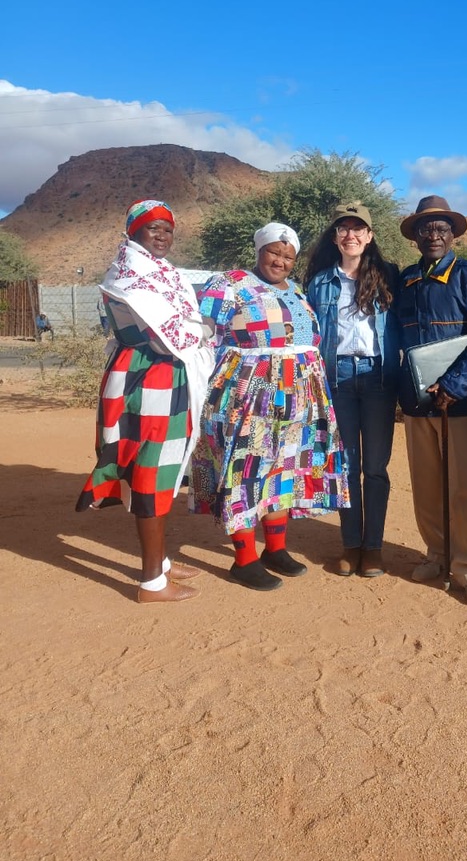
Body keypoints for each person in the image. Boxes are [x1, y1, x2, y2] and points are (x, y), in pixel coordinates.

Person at [190, 222, 349, 591]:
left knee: (283, 469)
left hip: (299, 397)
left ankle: (274, 549)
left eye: (288, 256)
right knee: (246, 469)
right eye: (274, 252)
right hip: (249, 392)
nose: (280, 261)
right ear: (258, 250)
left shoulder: (296, 290)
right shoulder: (229, 284)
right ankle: (243, 559)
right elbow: (200, 332)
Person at [75, 200, 215, 603]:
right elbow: (167, 335)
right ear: (133, 230)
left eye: (168, 230)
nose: (162, 236)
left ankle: (162, 563)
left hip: (164, 376)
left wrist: (197, 327)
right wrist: (204, 329)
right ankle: (152, 582)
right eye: (153, 228)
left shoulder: (157, 271)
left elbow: (182, 324)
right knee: (151, 468)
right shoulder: (131, 275)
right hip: (148, 378)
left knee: (163, 466)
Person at [396, 195, 467, 607]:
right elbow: (396, 341)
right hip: (417, 401)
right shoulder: (405, 280)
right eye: (426, 229)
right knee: (426, 483)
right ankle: (436, 554)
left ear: (453, 233)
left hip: (456, 402)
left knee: (465, 487)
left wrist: (455, 384)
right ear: (416, 237)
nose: (434, 235)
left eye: (441, 228)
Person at [305, 201, 400, 578]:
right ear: (335, 237)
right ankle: (351, 544)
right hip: (338, 378)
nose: (351, 235)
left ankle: (372, 547)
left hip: (378, 377)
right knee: (346, 466)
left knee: (375, 468)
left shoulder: (389, 276)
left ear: (370, 235)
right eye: (344, 228)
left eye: (358, 228)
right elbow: (311, 335)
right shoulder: (319, 282)